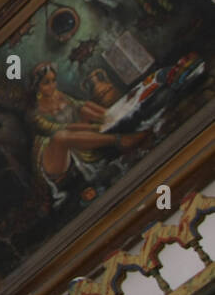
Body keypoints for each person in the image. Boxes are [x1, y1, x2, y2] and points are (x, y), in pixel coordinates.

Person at [27, 62, 149, 208]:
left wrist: (107, 117)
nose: (52, 86)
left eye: (53, 80)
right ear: (36, 86)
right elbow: (60, 128)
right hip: (53, 157)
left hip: (74, 139)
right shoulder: (33, 111)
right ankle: (119, 140)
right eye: (47, 83)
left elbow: (80, 105)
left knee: (85, 108)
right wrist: (94, 127)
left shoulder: (58, 95)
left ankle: (117, 117)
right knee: (60, 136)